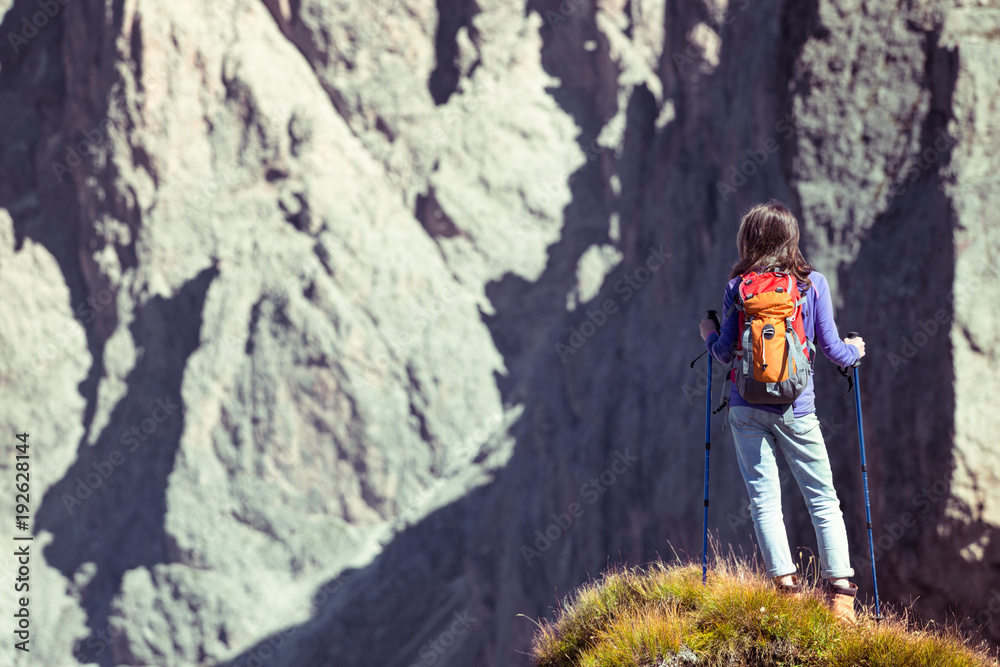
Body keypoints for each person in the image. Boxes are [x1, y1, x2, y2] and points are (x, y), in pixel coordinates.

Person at [698, 199, 865, 623]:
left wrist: (708, 333)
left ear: (748, 239)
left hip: (745, 408)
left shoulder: (738, 288)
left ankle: (786, 592)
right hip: (797, 408)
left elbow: (723, 352)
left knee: (764, 501)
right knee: (823, 500)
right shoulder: (813, 285)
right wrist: (856, 351)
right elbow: (832, 350)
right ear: (792, 238)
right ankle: (841, 601)